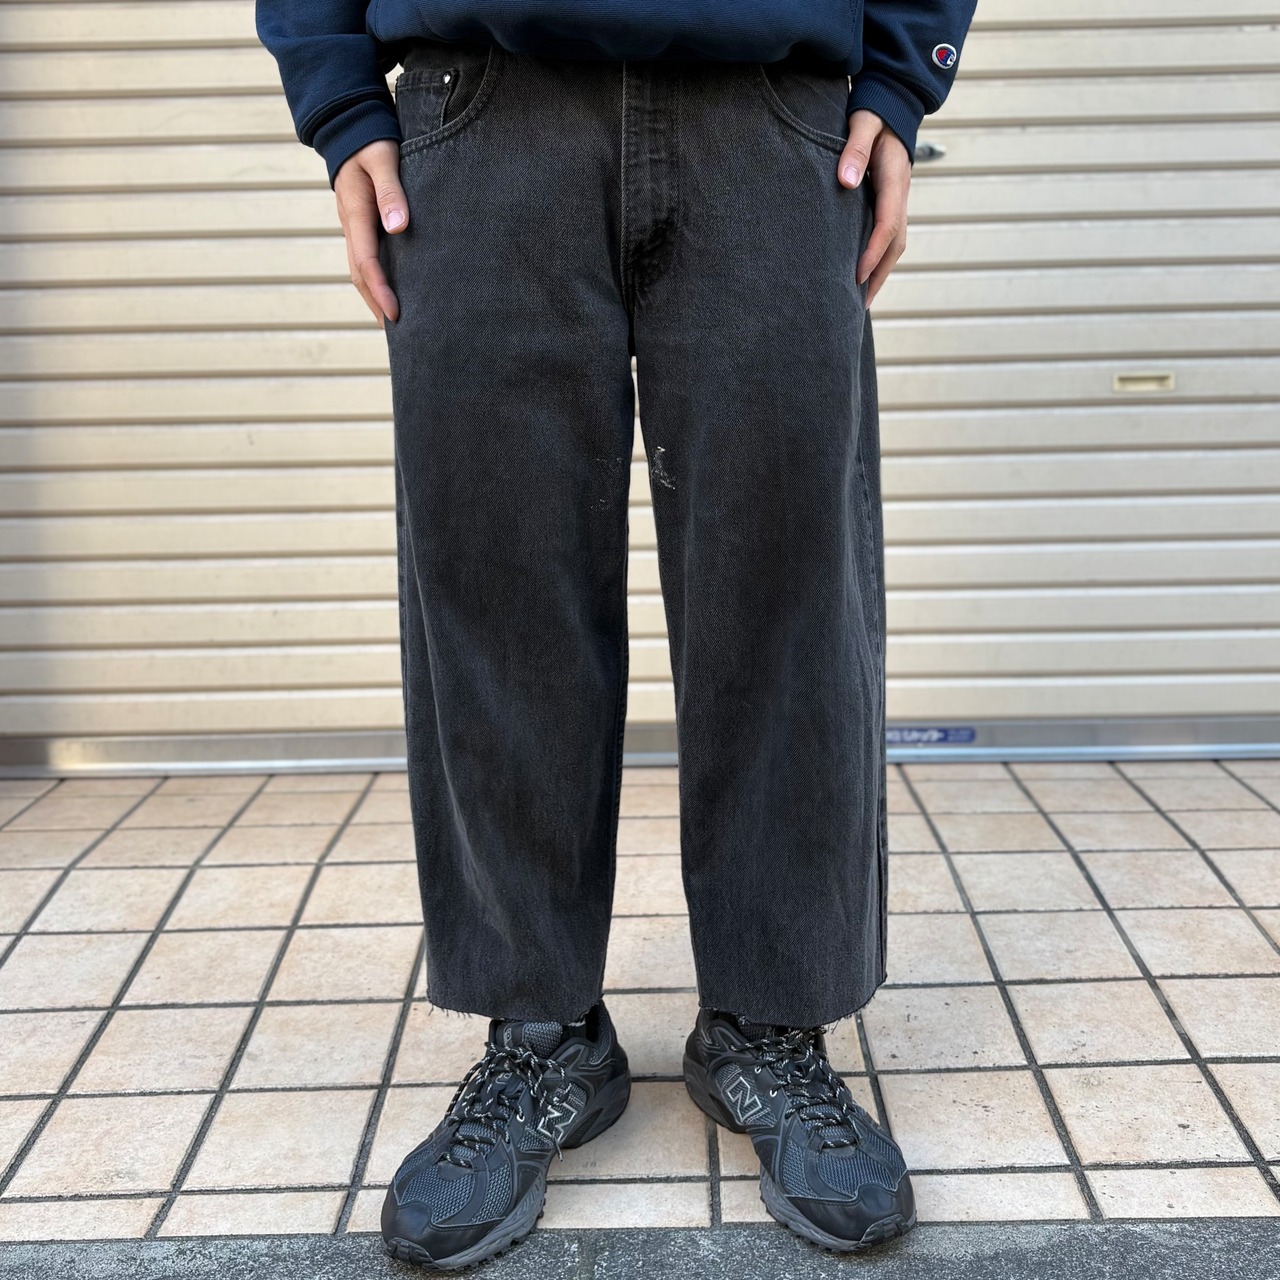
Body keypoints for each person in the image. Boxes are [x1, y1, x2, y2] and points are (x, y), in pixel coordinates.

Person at [256, 1, 977, 1268]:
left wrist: (899, 74)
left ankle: (767, 1021)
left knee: (785, 593)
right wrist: (336, 90)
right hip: (479, 107)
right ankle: (540, 1032)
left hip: (770, 109)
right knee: (496, 587)